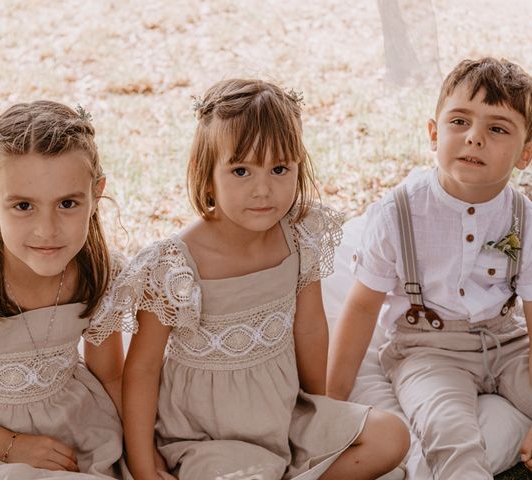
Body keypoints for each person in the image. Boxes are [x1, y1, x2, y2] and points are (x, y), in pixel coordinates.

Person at [122, 79, 409, 480]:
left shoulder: (299, 235)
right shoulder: (175, 265)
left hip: (287, 414)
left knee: (391, 436)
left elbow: (309, 327)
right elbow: (142, 369)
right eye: (241, 170)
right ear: (207, 176)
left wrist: (323, 410)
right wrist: (142, 465)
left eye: (279, 169)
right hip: (209, 437)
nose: (263, 189)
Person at [327, 57, 532, 479]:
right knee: (450, 436)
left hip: (507, 341)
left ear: (526, 154)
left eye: (497, 128)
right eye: (459, 122)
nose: (474, 138)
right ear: (434, 133)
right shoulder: (397, 213)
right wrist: (332, 403)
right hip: (426, 352)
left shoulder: (525, 219)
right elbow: (361, 310)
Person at [0, 101, 136, 479]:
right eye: (23, 206)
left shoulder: (99, 273)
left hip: (66, 425)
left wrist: (142, 453)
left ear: (96, 194)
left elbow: (111, 376)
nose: (48, 230)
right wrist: (10, 445)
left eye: (67, 203)